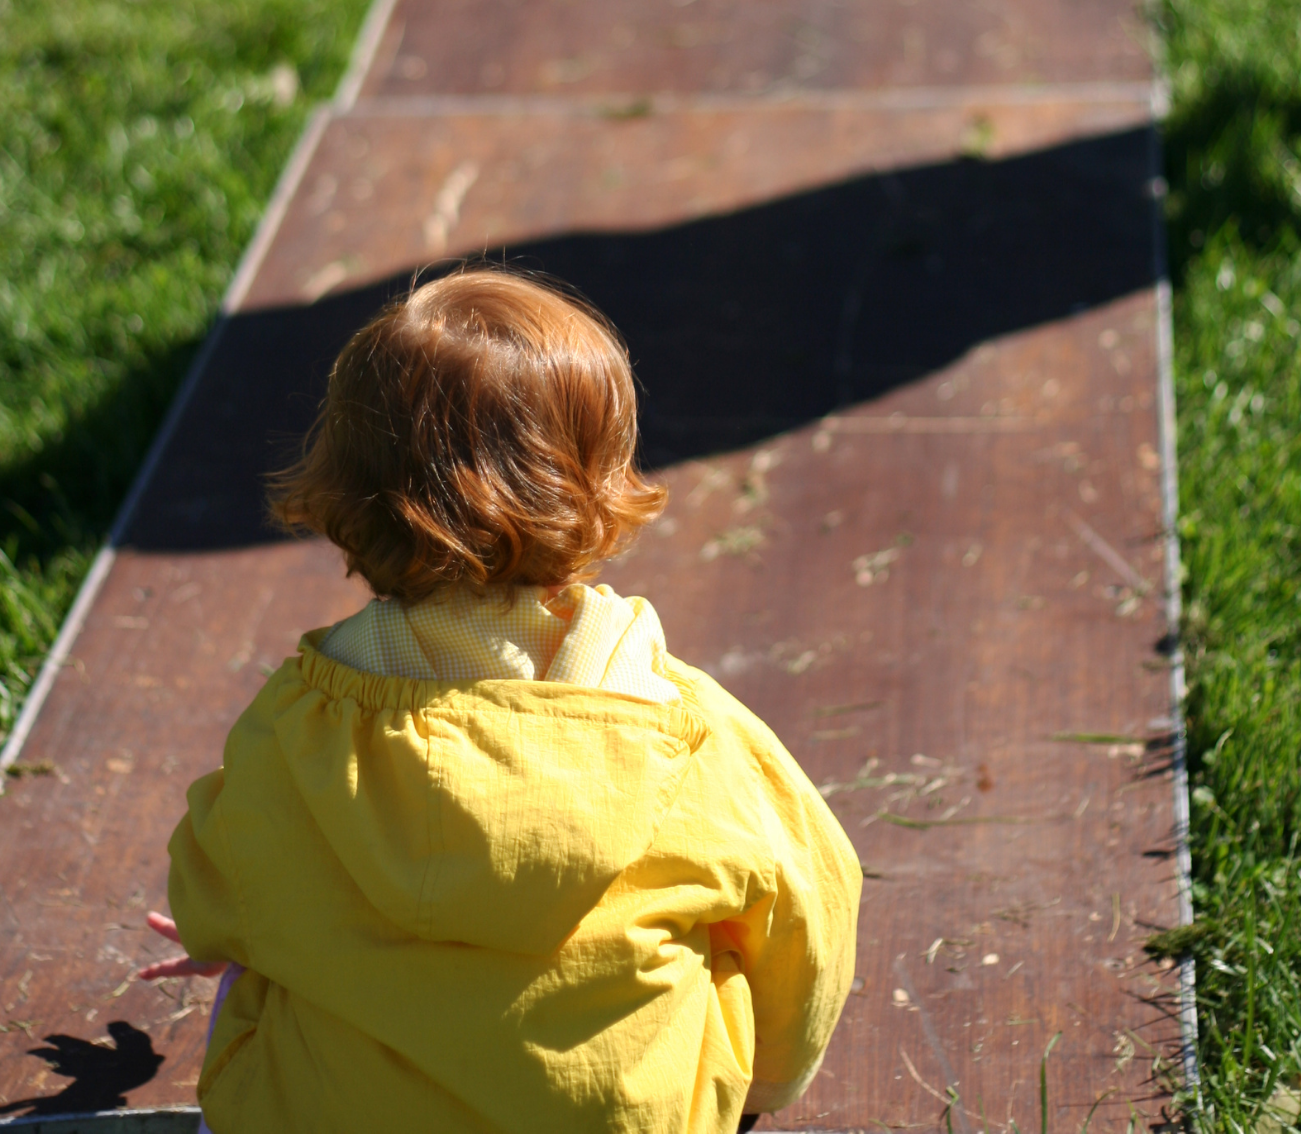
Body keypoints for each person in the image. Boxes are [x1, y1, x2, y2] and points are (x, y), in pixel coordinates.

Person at [140, 266, 862, 1134]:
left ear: (348, 483)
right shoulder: (683, 732)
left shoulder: (297, 726)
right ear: (597, 479)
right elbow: (814, 908)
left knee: (251, 982)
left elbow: (209, 892)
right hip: (613, 1119)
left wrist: (237, 938)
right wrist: (766, 1085)